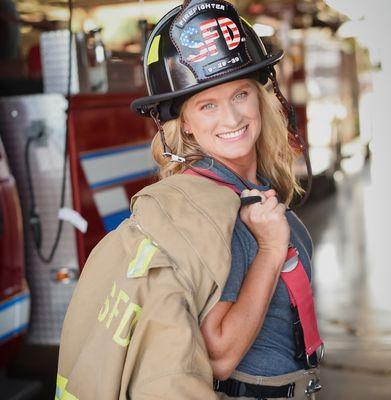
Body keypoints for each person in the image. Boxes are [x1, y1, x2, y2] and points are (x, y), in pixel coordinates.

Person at [55, 1, 323, 399]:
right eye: (208, 105)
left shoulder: (251, 191)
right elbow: (218, 355)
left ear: (261, 98)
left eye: (240, 94)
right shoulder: (209, 212)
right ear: (187, 126)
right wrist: (268, 249)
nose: (231, 119)